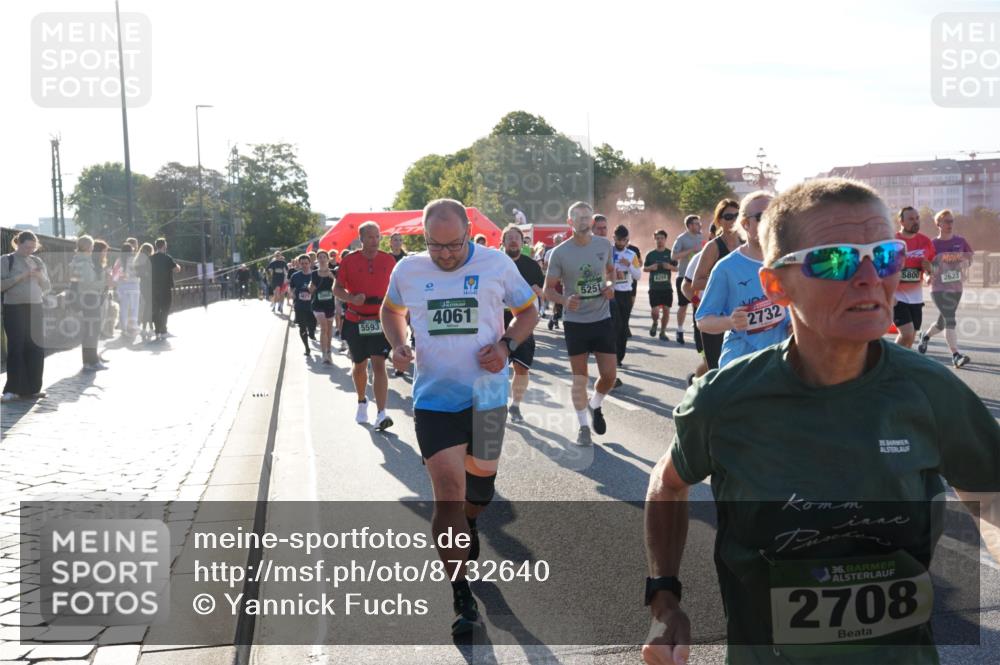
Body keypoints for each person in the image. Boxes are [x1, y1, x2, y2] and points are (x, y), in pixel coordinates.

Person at [643, 177, 1000, 665]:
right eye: (836, 260)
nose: (870, 277)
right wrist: (664, 598)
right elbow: (666, 483)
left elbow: (991, 496)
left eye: (887, 256)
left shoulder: (932, 392)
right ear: (776, 285)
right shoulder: (724, 401)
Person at [381, 198, 538, 637]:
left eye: (454, 245)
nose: (445, 255)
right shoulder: (407, 270)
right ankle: (461, 592)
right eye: (436, 246)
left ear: (468, 232)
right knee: (448, 494)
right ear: (423, 237)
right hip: (434, 399)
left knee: (480, 488)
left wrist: (506, 345)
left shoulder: (496, 264)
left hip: (487, 395)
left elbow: (529, 311)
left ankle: (471, 519)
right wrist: (397, 344)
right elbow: (390, 312)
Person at [543, 201, 616, 446]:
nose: (585, 222)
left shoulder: (604, 245)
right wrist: (564, 299)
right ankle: (583, 428)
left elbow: (610, 272)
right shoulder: (560, 252)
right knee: (579, 378)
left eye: (588, 217)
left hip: (602, 317)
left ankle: (595, 404)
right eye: (579, 218)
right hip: (575, 322)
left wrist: (609, 287)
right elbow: (547, 290)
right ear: (570, 222)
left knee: (609, 376)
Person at [696, 191, 791, 367]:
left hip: (783, 365)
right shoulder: (726, 268)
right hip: (741, 367)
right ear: (745, 224)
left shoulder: (790, 262)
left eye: (776, 215)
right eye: (762, 216)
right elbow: (703, 321)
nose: (771, 222)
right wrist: (730, 321)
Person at [334, 222, 395, 430]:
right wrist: (351, 297)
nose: (375, 241)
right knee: (359, 365)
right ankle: (361, 401)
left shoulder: (388, 260)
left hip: (380, 320)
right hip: (355, 320)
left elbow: (398, 288)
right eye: (370, 237)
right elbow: (337, 288)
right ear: (361, 239)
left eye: (377, 237)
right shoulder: (349, 261)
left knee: (379, 364)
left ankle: (382, 413)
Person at [918, 209, 974, 367]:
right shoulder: (932, 244)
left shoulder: (960, 241)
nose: (950, 224)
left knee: (942, 323)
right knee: (950, 319)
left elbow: (970, 258)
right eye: (946, 221)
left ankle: (925, 336)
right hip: (938, 288)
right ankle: (956, 355)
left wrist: (966, 262)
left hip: (956, 287)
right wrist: (927, 276)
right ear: (939, 224)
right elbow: (925, 267)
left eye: (951, 221)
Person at [501, 224, 545, 423]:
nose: (512, 240)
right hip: (497, 319)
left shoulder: (531, 265)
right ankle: (495, 404)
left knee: (521, 367)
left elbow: (541, 294)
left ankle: (515, 405)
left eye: (516, 237)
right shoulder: (495, 263)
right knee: (492, 364)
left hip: (523, 320)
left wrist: (538, 293)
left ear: (522, 242)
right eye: (508, 237)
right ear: (503, 242)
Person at [692, 198, 742, 370]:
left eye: (737, 215)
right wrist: (725, 283)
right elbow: (696, 282)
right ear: (719, 220)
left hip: (742, 314)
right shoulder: (713, 247)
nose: (734, 220)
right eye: (729, 216)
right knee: (717, 371)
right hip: (716, 317)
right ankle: (701, 388)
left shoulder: (747, 245)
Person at [1, 231, 51, 400]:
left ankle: (32, 388)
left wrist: (40, 276)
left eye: (33, 247)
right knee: (16, 347)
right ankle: (12, 390)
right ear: (18, 243)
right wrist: (22, 276)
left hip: (36, 307)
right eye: (27, 246)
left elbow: (47, 286)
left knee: (36, 347)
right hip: (14, 308)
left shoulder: (37, 261)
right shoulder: (7, 260)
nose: (30, 250)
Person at [893, 206, 935, 348]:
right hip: (896, 297)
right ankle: (891, 363)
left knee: (910, 338)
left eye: (917, 218)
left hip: (916, 298)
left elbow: (931, 270)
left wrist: (930, 270)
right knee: (906, 333)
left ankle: (901, 366)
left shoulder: (926, 242)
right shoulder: (892, 241)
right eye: (911, 219)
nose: (915, 221)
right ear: (902, 221)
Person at [70, 236, 110, 370]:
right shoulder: (85, 263)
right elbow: (88, 285)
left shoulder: (78, 260)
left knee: (89, 331)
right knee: (93, 330)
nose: (93, 249)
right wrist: (105, 282)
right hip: (90, 298)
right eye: (92, 246)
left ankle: (88, 362)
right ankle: (92, 361)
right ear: (88, 247)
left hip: (86, 298)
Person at [612, 224, 642, 371]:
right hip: (612, 293)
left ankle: (619, 357)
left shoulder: (631, 254)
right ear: (614, 238)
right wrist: (612, 272)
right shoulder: (608, 253)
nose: (621, 243)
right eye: (618, 239)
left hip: (625, 293)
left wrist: (628, 265)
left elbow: (638, 275)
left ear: (627, 240)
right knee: (613, 325)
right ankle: (610, 355)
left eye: (624, 240)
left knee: (623, 326)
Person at [671, 215, 704, 344]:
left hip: (699, 277)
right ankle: (679, 329)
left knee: (697, 303)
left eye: (699, 223)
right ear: (689, 225)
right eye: (696, 223)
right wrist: (690, 250)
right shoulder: (681, 239)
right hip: (684, 277)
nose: (699, 225)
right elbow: (673, 256)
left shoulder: (701, 237)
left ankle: (698, 326)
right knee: (683, 305)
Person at [644, 229, 678, 341]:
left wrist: (669, 267)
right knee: (655, 311)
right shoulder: (650, 254)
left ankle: (663, 332)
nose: (659, 240)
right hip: (654, 287)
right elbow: (644, 268)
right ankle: (654, 322)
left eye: (662, 238)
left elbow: (677, 268)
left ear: (665, 239)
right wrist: (651, 268)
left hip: (666, 287)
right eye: (657, 238)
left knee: (667, 310)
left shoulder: (670, 254)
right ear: (655, 239)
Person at [150, 237, 181, 342]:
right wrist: (177, 265)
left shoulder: (151, 258)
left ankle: (157, 330)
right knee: (165, 309)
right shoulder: (167, 258)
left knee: (156, 309)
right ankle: (163, 331)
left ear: (156, 246)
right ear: (164, 246)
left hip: (153, 288)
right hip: (165, 287)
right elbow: (176, 269)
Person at [310, 251, 337, 363]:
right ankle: (324, 353)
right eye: (319, 257)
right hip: (318, 304)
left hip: (330, 304)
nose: (322, 259)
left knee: (329, 329)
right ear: (317, 259)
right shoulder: (314, 273)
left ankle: (329, 350)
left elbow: (338, 289)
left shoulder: (333, 272)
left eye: (324, 257)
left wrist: (333, 278)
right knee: (324, 327)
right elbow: (311, 290)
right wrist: (311, 286)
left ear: (328, 259)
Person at [288, 255, 316, 356]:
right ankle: (307, 348)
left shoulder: (315, 275)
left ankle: (312, 332)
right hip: (300, 305)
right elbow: (291, 288)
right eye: (302, 263)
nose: (304, 265)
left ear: (310, 263)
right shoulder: (295, 275)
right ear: (299, 264)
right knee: (302, 327)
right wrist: (292, 294)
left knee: (312, 325)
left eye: (306, 263)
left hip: (313, 305)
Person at [113, 241, 140, 336]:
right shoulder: (135, 260)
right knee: (134, 307)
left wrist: (121, 277)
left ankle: (123, 328)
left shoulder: (119, 260)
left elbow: (114, 276)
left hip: (122, 286)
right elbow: (139, 273)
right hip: (134, 286)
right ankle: (132, 327)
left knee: (123, 307)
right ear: (131, 250)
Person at [543, 234, 565, 331]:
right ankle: (555, 318)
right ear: (553, 241)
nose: (558, 242)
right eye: (556, 241)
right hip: (554, 280)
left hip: (565, 280)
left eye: (560, 240)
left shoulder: (567, 251)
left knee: (561, 302)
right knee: (558, 301)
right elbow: (546, 267)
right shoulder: (549, 252)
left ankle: (554, 319)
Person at [134, 243, 154, 337]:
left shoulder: (138, 258)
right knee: (149, 306)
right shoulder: (148, 259)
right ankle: (147, 327)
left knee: (148, 305)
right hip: (149, 285)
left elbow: (137, 273)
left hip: (143, 285)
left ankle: (147, 327)